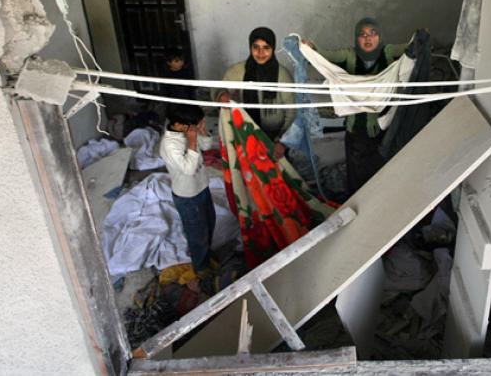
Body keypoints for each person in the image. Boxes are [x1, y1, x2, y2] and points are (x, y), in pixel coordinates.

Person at [311, 17, 408, 194]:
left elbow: (409, 49)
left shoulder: (387, 52)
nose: (368, 39)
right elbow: (326, 56)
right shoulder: (349, 55)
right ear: (357, 38)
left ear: (379, 36)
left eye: (373, 34)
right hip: (355, 131)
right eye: (363, 35)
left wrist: (421, 38)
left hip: (382, 131)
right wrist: (311, 49)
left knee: (380, 174)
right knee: (356, 178)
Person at [213, 27, 295, 159]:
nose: (260, 52)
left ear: (273, 48)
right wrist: (222, 94)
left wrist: (283, 142)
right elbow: (219, 88)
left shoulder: (282, 75)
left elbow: (292, 113)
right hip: (244, 135)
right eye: (256, 47)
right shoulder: (239, 70)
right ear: (250, 47)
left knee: (275, 175)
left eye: (266, 47)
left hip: (275, 138)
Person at [159, 104, 216, 275]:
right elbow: (189, 169)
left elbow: (206, 146)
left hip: (202, 187)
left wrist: (203, 131)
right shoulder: (169, 145)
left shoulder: (188, 130)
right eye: (194, 125)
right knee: (197, 235)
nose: (195, 128)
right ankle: (201, 269)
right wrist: (191, 142)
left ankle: (206, 256)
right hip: (188, 196)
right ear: (178, 124)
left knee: (210, 222)